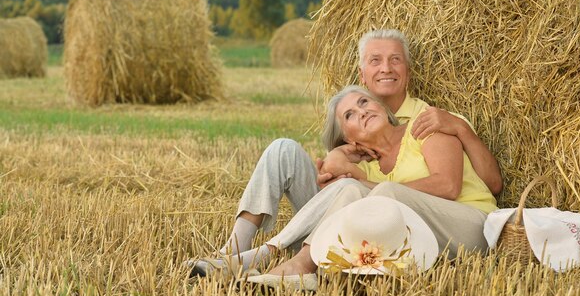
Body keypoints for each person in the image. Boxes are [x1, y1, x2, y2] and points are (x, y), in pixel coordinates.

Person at [187, 30, 502, 275]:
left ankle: (279, 254)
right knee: (283, 150)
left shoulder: (429, 120)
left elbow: (462, 185)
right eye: (375, 60)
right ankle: (235, 250)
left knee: (372, 191)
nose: (386, 69)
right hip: (368, 221)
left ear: (408, 69)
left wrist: (354, 180)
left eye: (395, 60)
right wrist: (338, 162)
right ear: (362, 73)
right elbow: (342, 181)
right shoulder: (359, 138)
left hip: (449, 221)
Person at [245, 85, 498, 288]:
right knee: (352, 191)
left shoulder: (423, 127)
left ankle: (276, 254)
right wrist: (339, 159)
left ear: (382, 107)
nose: (362, 112)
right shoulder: (368, 169)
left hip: (474, 226)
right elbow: (335, 196)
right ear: (348, 137)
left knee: (381, 194)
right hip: (426, 242)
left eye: (364, 102)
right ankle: (304, 265)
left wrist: (365, 184)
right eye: (350, 115)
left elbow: (448, 185)